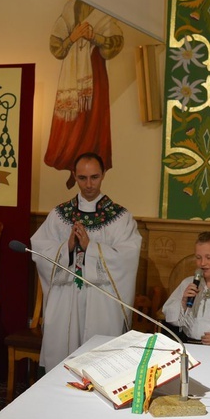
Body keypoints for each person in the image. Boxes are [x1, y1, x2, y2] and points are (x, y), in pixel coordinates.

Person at [31, 152, 141, 370]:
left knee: (99, 366)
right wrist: (68, 247)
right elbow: (40, 248)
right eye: (82, 178)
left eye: (94, 177)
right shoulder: (59, 215)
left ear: (104, 175)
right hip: (66, 299)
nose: (89, 184)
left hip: (102, 301)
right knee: (63, 364)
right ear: (74, 175)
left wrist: (91, 248)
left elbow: (127, 257)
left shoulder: (120, 218)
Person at [44, 0, 124, 189]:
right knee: (71, 122)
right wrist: (73, 37)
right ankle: (72, 165)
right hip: (71, 78)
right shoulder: (70, 8)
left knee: (93, 119)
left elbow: (116, 43)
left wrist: (95, 37)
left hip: (94, 73)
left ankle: (91, 167)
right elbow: (56, 47)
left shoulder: (104, 9)